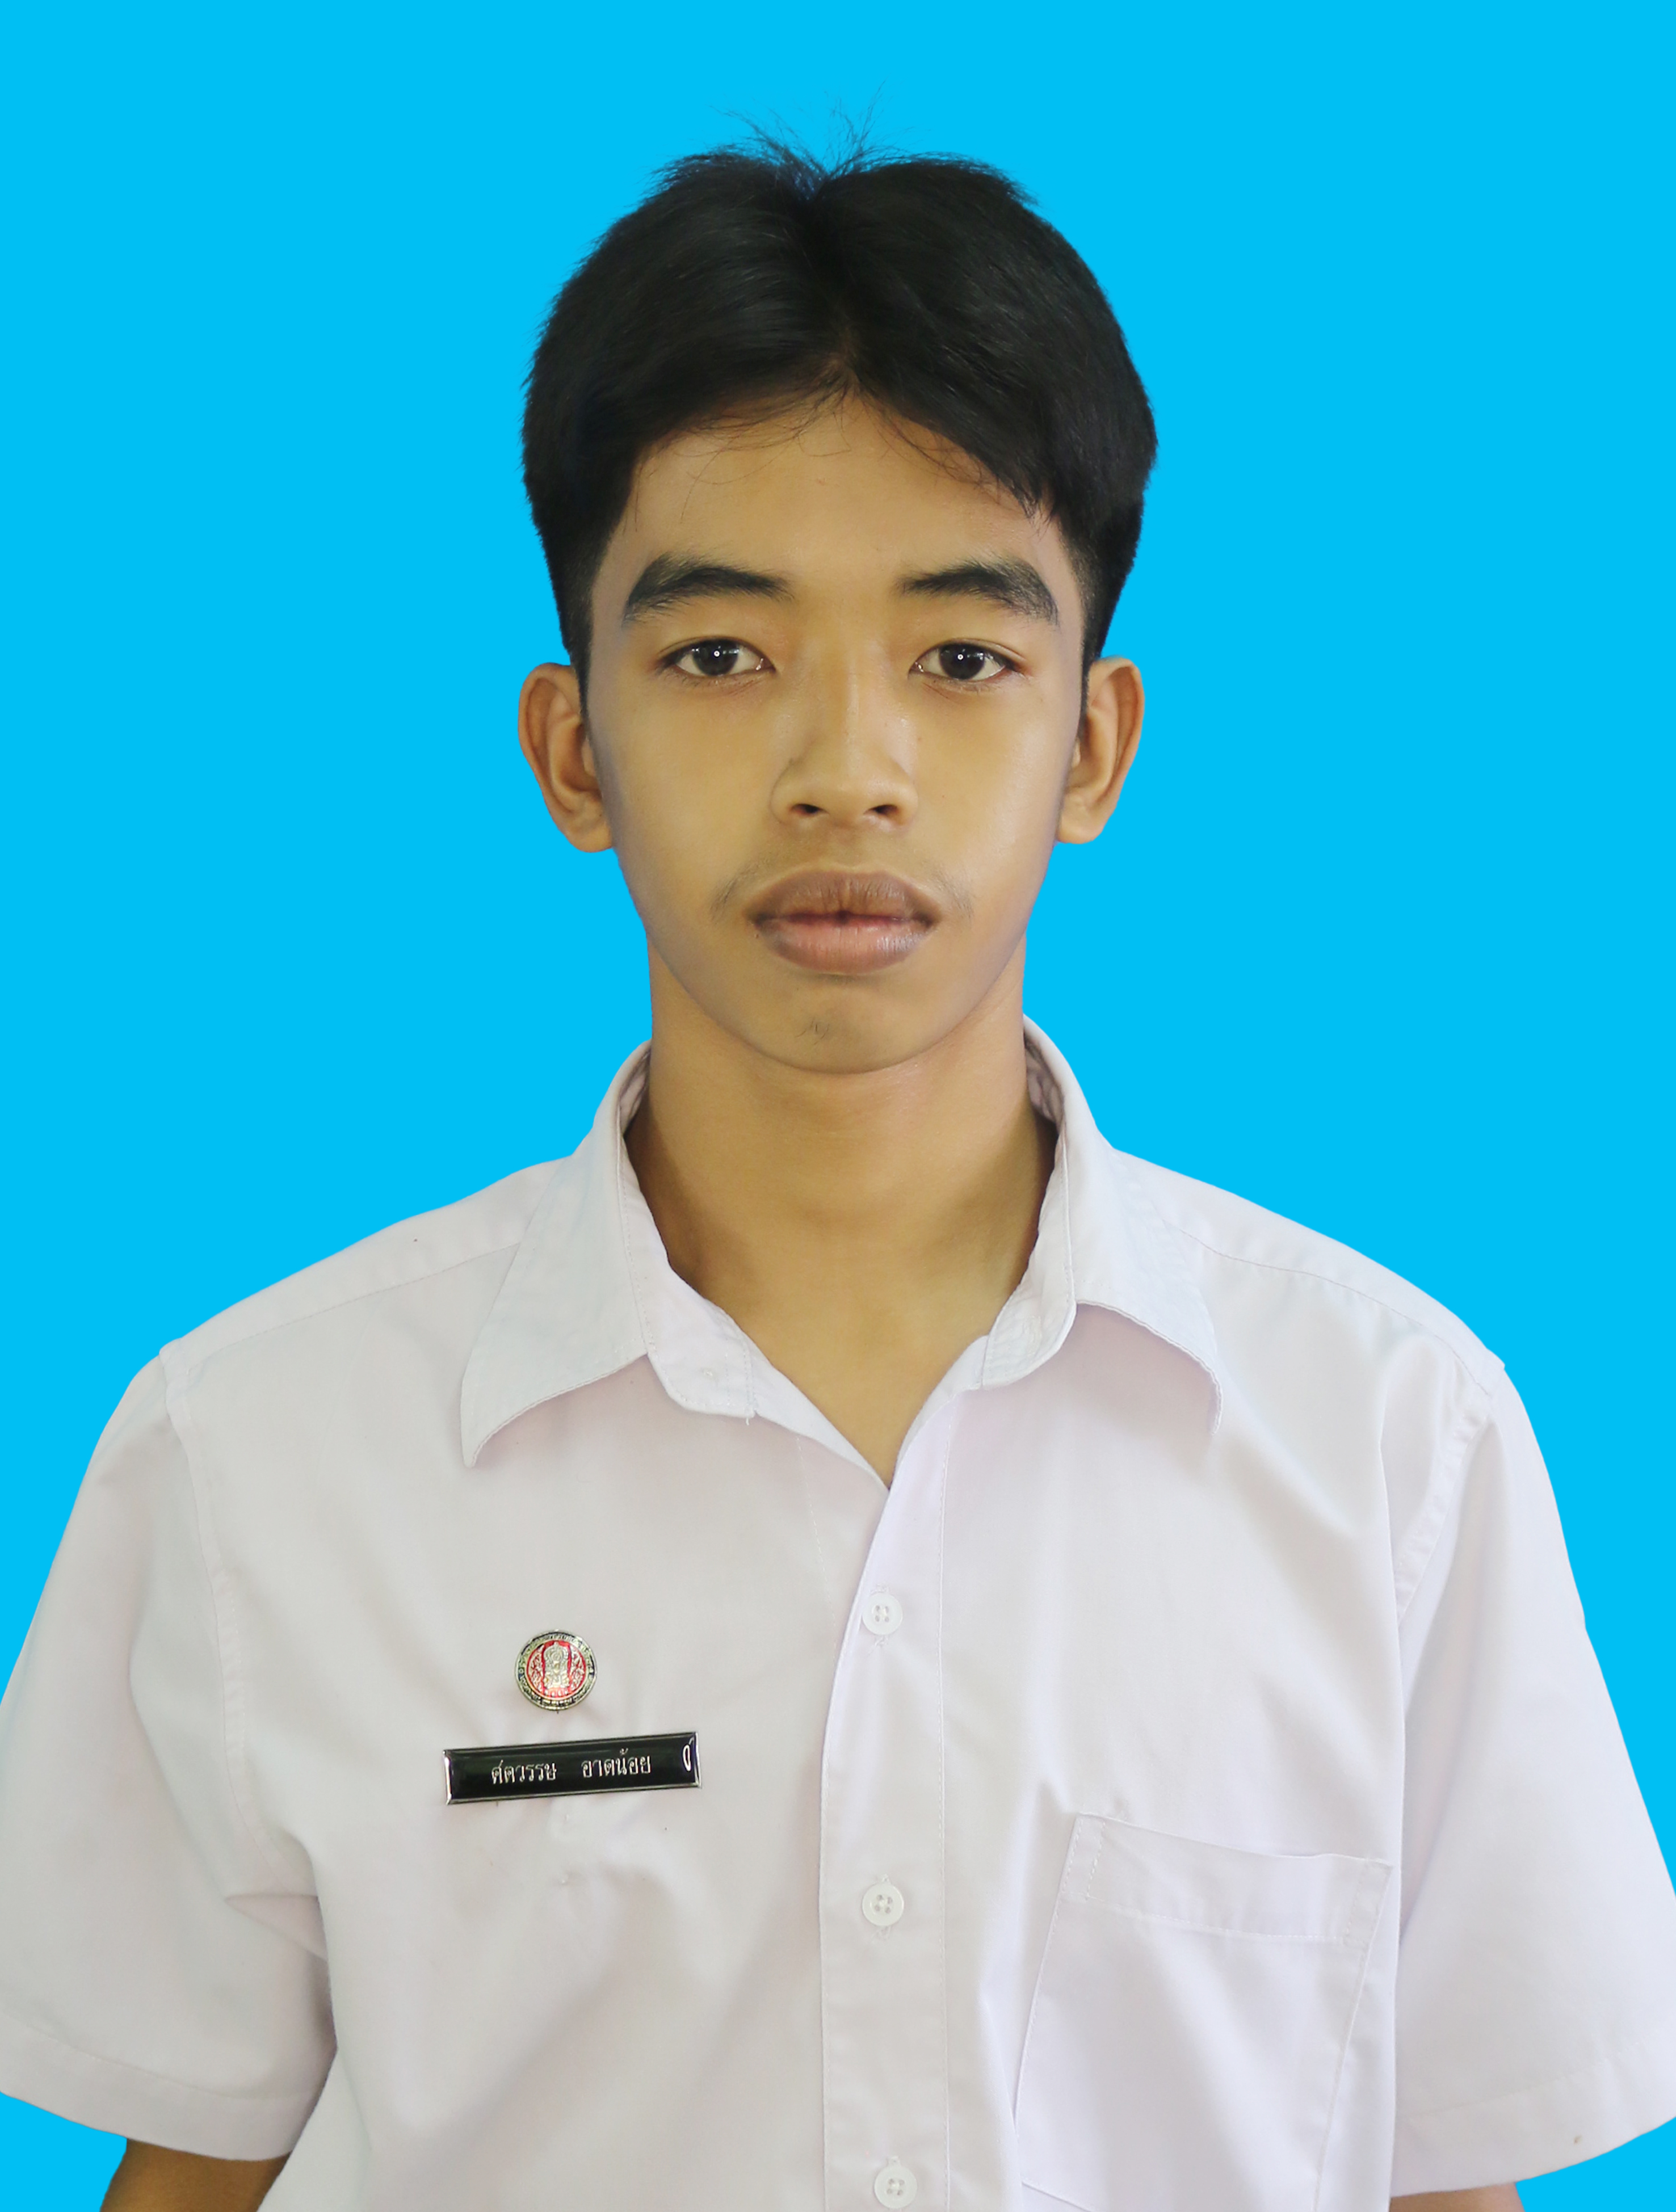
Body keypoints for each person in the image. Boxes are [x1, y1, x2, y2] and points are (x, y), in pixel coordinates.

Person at [1, 141, 1673, 2212]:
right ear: (572, 748)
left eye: (958, 659)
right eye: (721, 654)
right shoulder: (262, 1455)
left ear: (1092, 745)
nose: (845, 769)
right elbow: (196, 2171)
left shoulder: (1388, 1440)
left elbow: (1447, 2179)